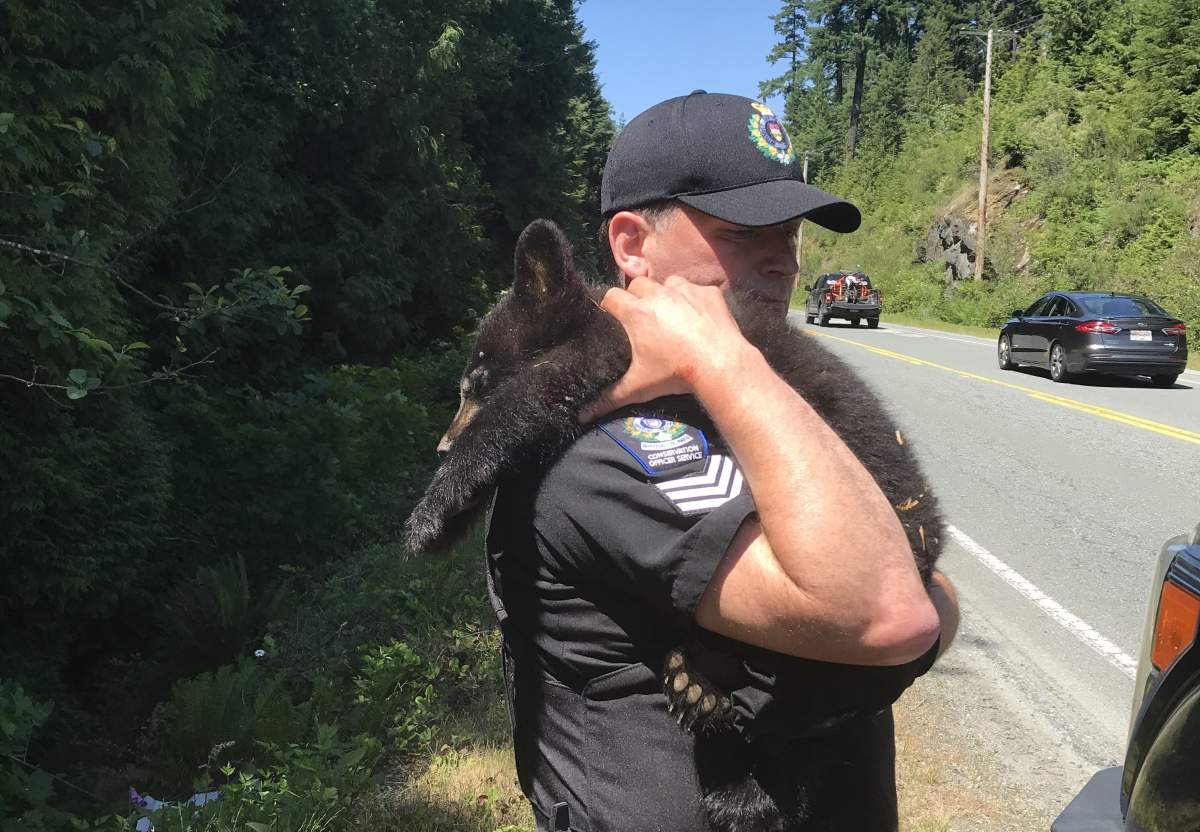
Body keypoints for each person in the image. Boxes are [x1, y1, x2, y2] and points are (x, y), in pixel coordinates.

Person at [484, 91, 960, 832]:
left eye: (793, 234)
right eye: (744, 232)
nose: (783, 260)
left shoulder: (752, 401)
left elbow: (912, 576)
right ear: (632, 244)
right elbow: (891, 612)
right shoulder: (607, 440)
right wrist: (725, 360)